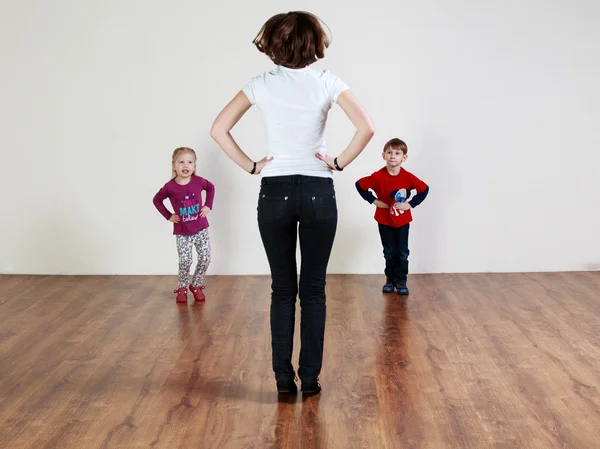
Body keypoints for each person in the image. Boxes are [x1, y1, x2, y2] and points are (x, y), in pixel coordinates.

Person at [210, 11, 375, 395]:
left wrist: (252, 166)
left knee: (283, 290)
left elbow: (218, 129)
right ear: (315, 42)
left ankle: (284, 381)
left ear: (273, 43)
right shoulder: (327, 81)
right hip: (318, 191)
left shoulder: (261, 84)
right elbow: (367, 126)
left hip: (274, 192)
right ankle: (311, 380)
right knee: (313, 290)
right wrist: (338, 162)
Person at [355, 138, 429, 295]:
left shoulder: (408, 177)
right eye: (389, 152)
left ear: (404, 157)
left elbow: (424, 189)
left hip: (402, 220)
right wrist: (374, 201)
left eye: (397, 153)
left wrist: (410, 204)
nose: (392, 156)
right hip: (384, 220)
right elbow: (359, 185)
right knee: (389, 251)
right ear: (383, 155)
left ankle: (401, 280)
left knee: (402, 252)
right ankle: (390, 279)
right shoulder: (377, 176)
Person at [153, 147, 215, 303]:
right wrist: (169, 216)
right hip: (182, 231)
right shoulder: (170, 186)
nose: (185, 166)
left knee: (205, 258)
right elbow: (157, 200)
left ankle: (196, 284)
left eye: (189, 162)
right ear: (174, 166)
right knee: (185, 261)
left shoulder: (199, 181)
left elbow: (211, 187)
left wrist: (208, 205)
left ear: (194, 166)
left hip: (201, 228)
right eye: (181, 162)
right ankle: (182, 288)